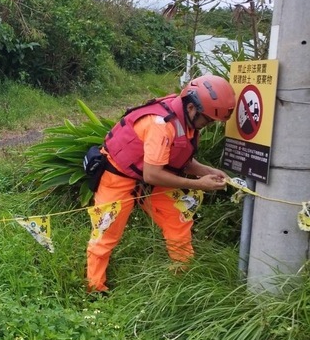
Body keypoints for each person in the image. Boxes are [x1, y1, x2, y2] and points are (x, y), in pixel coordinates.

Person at [86, 74, 236, 293]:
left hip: (154, 173)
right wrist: (199, 184)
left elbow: (181, 158)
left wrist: (207, 171)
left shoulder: (185, 120)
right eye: (208, 120)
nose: (209, 125)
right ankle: (94, 287)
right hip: (119, 174)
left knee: (178, 220)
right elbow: (152, 174)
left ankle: (183, 278)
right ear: (193, 108)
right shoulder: (160, 125)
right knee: (106, 231)